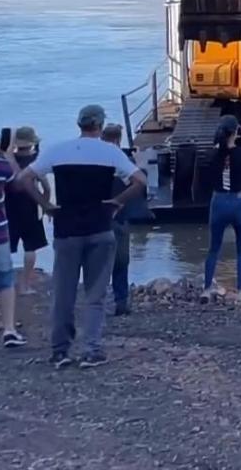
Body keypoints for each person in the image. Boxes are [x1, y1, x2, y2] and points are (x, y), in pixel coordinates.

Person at [17, 105, 146, 368]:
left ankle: (60, 351)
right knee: (95, 294)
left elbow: (24, 179)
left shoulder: (59, 150)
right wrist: (117, 202)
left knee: (63, 293)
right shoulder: (110, 152)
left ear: (79, 125)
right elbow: (140, 181)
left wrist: (44, 203)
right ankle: (91, 350)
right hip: (100, 228)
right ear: (99, 126)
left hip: (66, 230)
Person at [202, 115, 241, 304]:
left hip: (219, 201)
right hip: (240, 202)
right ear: (236, 132)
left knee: (213, 248)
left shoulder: (212, 154)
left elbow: (217, 151)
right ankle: (240, 293)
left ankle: (206, 289)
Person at [6, 126, 49, 295]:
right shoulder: (36, 161)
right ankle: (24, 285)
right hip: (30, 206)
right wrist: (45, 205)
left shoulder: (8, 161)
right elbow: (46, 186)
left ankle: (3, 285)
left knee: (6, 249)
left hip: (9, 207)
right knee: (30, 247)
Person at [101, 124, 139, 315]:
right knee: (121, 261)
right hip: (120, 215)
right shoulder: (125, 160)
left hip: (98, 216)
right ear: (119, 139)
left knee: (98, 261)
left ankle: (98, 301)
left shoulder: (96, 160)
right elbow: (135, 186)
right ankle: (121, 301)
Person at [0, 131, 26, 348]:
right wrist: (7, 154)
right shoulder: (0, 164)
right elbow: (19, 184)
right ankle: (9, 330)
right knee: (5, 281)